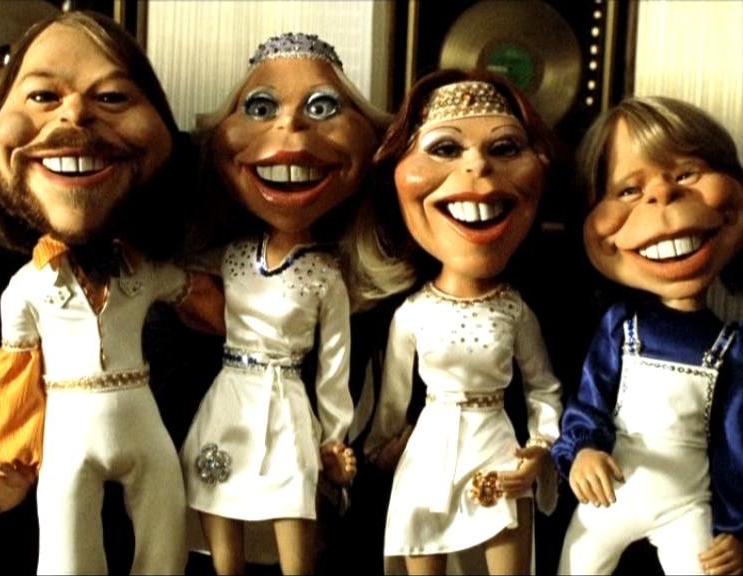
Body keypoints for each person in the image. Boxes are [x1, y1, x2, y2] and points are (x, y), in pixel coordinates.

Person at [0, 10, 221, 574]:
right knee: (66, 553)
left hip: (145, 426)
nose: (75, 113)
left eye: (111, 96)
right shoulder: (24, 289)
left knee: (165, 535)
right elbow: (15, 381)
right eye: (42, 95)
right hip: (66, 433)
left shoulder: (148, 269)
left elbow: (204, 299)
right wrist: (16, 467)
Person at [179, 32, 391, 575]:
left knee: (292, 504)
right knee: (217, 498)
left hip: (287, 404)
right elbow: (179, 285)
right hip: (229, 398)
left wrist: (334, 437)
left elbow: (335, 366)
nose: (290, 126)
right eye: (259, 107)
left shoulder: (325, 274)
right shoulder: (230, 256)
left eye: (322, 107)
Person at [355, 68, 563, 575]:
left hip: (496, 448)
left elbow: (543, 388)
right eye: (445, 148)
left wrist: (539, 450)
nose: (477, 167)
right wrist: (380, 448)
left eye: (505, 148)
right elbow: (393, 398)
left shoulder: (514, 309)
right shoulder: (413, 313)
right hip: (428, 449)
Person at [551, 95, 743, 575]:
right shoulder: (622, 325)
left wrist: (736, 527)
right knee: (577, 564)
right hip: (612, 490)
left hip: (688, 504)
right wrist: (581, 451)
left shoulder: (731, 345)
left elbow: (734, 445)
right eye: (629, 189)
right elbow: (589, 400)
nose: (662, 195)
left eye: (686, 174)